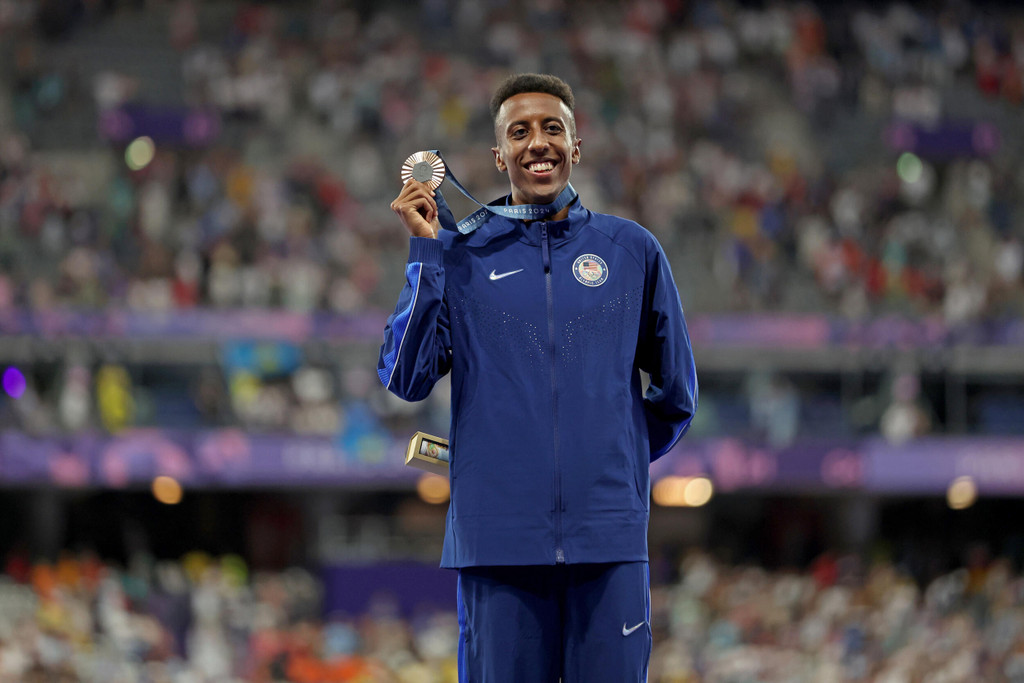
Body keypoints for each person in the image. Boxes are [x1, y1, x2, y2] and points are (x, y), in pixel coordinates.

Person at [378, 73, 698, 683]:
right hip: (496, 542)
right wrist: (425, 251)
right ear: (500, 155)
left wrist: (608, 466)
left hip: (608, 541)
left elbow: (676, 392)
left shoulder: (632, 250)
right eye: (519, 132)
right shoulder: (460, 255)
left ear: (576, 146)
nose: (538, 142)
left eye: (553, 128)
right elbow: (404, 377)